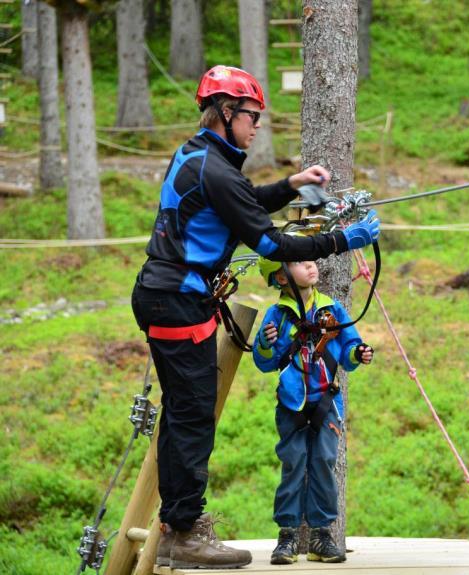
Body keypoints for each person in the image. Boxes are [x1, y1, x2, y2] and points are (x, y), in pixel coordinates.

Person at [130, 65, 380, 570]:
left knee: (185, 413)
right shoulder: (216, 169)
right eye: (252, 115)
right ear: (227, 113)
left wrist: (295, 185)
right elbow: (270, 242)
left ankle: (179, 525)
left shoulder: (200, 157)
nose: (257, 124)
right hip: (177, 298)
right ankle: (183, 531)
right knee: (193, 417)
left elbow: (244, 203)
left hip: (171, 295)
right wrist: (343, 240)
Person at [253, 255, 374, 565]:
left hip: (326, 404)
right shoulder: (277, 315)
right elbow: (264, 362)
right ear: (281, 278)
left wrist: (358, 352)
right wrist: (266, 344)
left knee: (323, 462)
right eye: (299, 263)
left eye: (310, 260)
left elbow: (347, 351)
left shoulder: (332, 310)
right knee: (293, 463)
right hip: (291, 405)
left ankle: (321, 536)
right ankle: (288, 536)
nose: (310, 266)